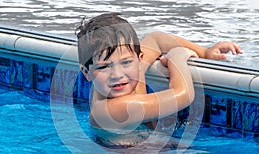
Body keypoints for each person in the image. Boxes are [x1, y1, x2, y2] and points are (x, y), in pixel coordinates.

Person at [76, 13, 242, 147]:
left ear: (139, 59)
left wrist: (205, 53)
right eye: (104, 67)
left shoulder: (127, 76)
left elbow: (156, 39)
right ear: (86, 72)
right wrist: (178, 57)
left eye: (126, 62)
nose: (117, 74)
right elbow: (183, 96)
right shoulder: (111, 109)